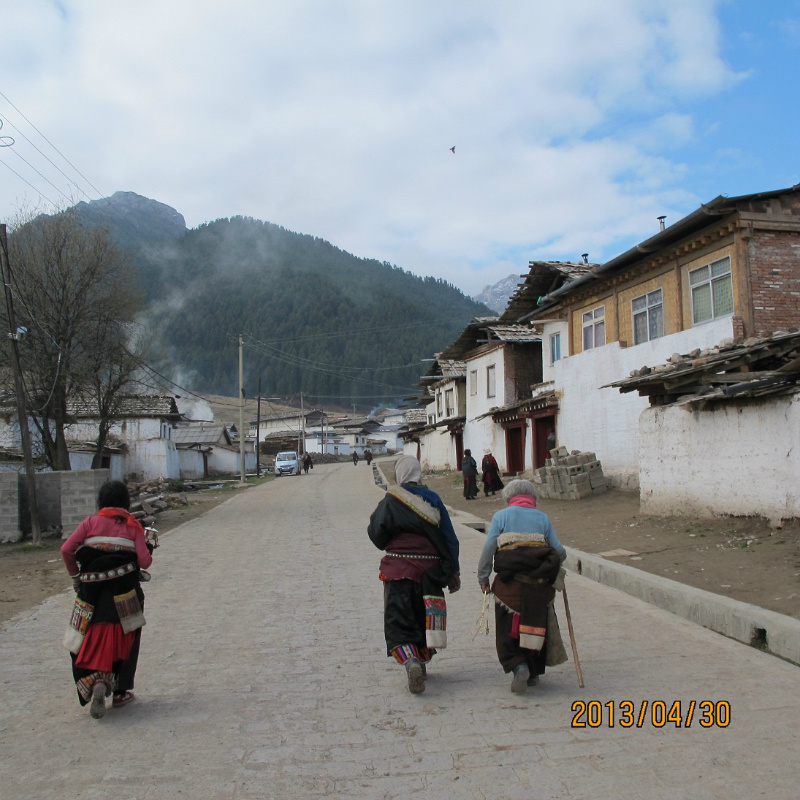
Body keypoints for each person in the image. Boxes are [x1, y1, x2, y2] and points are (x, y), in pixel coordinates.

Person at [61, 480, 154, 719]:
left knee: (82, 633)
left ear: (101, 502)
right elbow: (144, 562)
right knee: (129, 633)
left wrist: (75, 577)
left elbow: (67, 550)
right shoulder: (133, 525)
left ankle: (92, 681)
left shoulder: (89, 523)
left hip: (90, 594)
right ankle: (121, 691)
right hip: (125, 594)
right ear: (125, 502)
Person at [368, 455, 461, 694]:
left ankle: (411, 663)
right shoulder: (434, 499)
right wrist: (453, 571)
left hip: (398, 571)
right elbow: (450, 539)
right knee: (423, 619)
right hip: (430, 573)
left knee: (399, 621)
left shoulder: (391, 500)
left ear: (400, 475)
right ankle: (421, 663)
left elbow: (376, 534)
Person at [477, 479, 567, 693]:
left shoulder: (501, 517)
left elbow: (489, 548)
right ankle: (533, 672)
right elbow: (560, 552)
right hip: (539, 589)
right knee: (536, 624)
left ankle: (518, 666)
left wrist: (483, 577)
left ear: (509, 498)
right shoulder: (543, 519)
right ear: (532, 497)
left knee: (506, 630)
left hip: (509, 589)